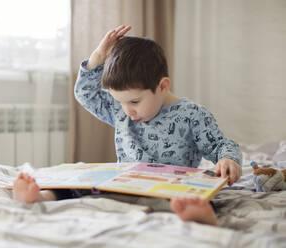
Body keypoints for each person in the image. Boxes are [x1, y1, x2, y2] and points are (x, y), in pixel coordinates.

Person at [13, 25, 242, 226]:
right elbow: (85, 94)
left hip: (169, 189)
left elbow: (221, 145)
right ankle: (42, 197)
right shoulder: (121, 111)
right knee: (79, 184)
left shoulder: (192, 114)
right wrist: (98, 56)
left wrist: (228, 159)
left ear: (163, 86)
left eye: (134, 101)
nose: (127, 111)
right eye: (119, 102)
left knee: (193, 198)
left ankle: (200, 216)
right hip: (125, 185)